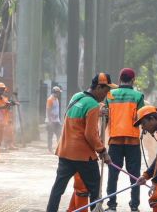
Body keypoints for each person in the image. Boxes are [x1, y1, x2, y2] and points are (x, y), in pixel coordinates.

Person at [46, 73, 115, 212]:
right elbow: (90, 134)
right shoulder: (93, 105)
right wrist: (103, 151)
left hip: (65, 151)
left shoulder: (76, 97)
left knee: (58, 188)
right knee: (95, 188)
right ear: (99, 87)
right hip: (83, 155)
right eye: (106, 91)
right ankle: (96, 209)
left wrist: (98, 111)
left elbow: (76, 119)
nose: (106, 95)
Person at [106, 68, 145, 212]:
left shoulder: (110, 95)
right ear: (133, 80)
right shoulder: (138, 96)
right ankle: (134, 206)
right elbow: (142, 117)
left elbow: (104, 117)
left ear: (119, 78)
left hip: (115, 140)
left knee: (112, 174)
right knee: (134, 175)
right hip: (132, 141)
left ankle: (111, 205)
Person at [0, 82, 15, 163]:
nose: (2, 91)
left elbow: (6, 110)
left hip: (2, 123)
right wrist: (2, 106)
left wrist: (10, 105)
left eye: (3, 90)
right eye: (0, 90)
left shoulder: (4, 99)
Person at [46, 86, 62, 153]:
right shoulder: (50, 99)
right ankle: (50, 149)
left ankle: (59, 148)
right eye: (58, 93)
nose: (59, 94)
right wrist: (50, 121)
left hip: (56, 121)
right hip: (51, 121)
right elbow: (48, 110)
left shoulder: (56, 99)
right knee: (50, 135)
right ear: (55, 93)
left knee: (59, 134)